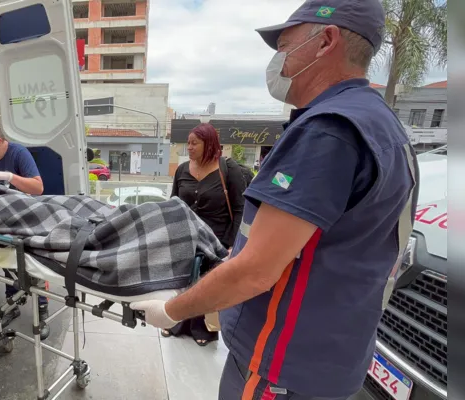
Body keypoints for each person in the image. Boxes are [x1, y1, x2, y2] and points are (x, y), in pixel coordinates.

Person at [129, 0, 418, 399]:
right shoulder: (381, 126)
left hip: (280, 369)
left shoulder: (328, 132)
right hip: (327, 361)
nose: (277, 62)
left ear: (325, 41)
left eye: (284, 46)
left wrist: (172, 309)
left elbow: (254, 272)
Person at [0, 112, 50, 340]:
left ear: (0, 142)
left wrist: (10, 177)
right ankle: (11, 303)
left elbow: (38, 188)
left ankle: (41, 309)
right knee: (4, 258)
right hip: (0, 214)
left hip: (25, 212)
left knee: (31, 263)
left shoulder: (18, 153)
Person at [166, 123, 245, 346]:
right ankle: (177, 322)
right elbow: (173, 202)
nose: (189, 147)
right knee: (182, 280)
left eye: (194, 143)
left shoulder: (228, 169)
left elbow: (240, 208)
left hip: (217, 239)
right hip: (186, 236)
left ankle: (204, 329)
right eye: (188, 143)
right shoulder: (182, 170)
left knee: (208, 283)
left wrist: (232, 243)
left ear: (208, 144)